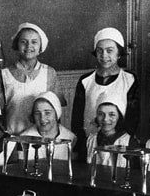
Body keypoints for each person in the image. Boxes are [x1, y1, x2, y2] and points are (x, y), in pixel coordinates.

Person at [72, 27, 139, 158]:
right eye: (100, 50)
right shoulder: (85, 80)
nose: (104, 55)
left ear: (118, 53)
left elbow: (133, 117)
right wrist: (82, 143)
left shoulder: (129, 79)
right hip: (90, 143)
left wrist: (123, 141)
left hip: (119, 144)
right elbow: (77, 117)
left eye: (109, 51)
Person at [0, 23, 61, 134]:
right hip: (13, 136)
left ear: (40, 46)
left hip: (41, 138)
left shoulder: (49, 73)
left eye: (34, 42)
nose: (28, 46)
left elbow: (57, 111)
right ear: (16, 44)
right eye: (23, 42)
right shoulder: (4, 74)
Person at [85, 93, 139, 168]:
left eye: (112, 114)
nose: (105, 119)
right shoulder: (89, 140)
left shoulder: (130, 142)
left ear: (119, 116)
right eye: (101, 114)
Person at [19, 91, 76, 160]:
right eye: (37, 113)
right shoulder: (24, 138)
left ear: (56, 114)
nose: (42, 118)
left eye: (47, 113)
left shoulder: (71, 138)